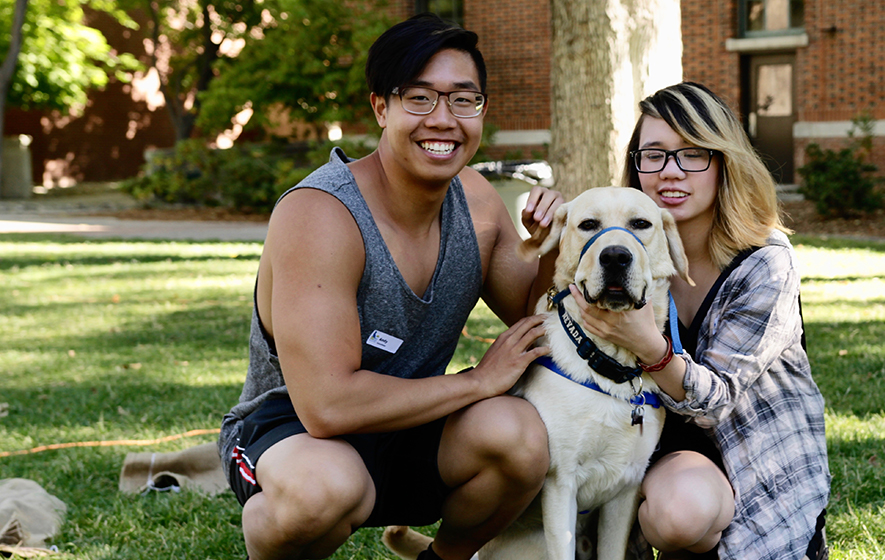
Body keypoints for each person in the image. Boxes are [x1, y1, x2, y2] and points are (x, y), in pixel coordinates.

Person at [216, 14, 563, 560]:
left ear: (482, 111)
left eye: (462, 100)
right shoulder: (321, 214)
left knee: (520, 437)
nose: (443, 120)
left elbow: (534, 315)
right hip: (294, 431)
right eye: (419, 99)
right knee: (322, 491)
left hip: (413, 422)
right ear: (381, 107)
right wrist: (476, 383)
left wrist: (552, 249)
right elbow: (326, 407)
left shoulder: (477, 204)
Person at [567, 81, 830, 560]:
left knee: (680, 512)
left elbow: (715, 404)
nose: (670, 172)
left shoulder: (765, 261)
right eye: (654, 155)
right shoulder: (616, 255)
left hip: (742, 456)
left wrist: (649, 346)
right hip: (641, 443)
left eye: (692, 155)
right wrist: (549, 229)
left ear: (724, 161)